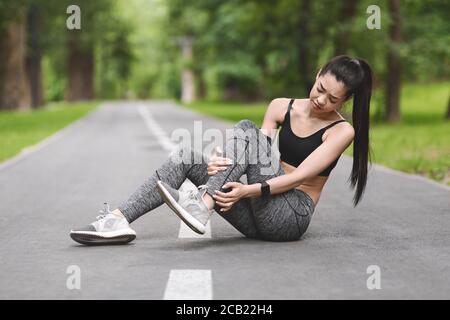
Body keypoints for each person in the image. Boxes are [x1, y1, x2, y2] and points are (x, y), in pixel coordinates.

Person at [70, 55, 372, 245]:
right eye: (320, 88)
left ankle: (202, 204)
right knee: (188, 156)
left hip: (289, 217)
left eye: (332, 99)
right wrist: (222, 163)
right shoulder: (281, 106)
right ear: (318, 73)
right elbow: (257, 152)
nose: (321, 100)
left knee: (245, 127)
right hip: (258, 208)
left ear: (344, 102)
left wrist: (244, 191)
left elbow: (299, 178)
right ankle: (117, 221)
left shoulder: (342, 131)